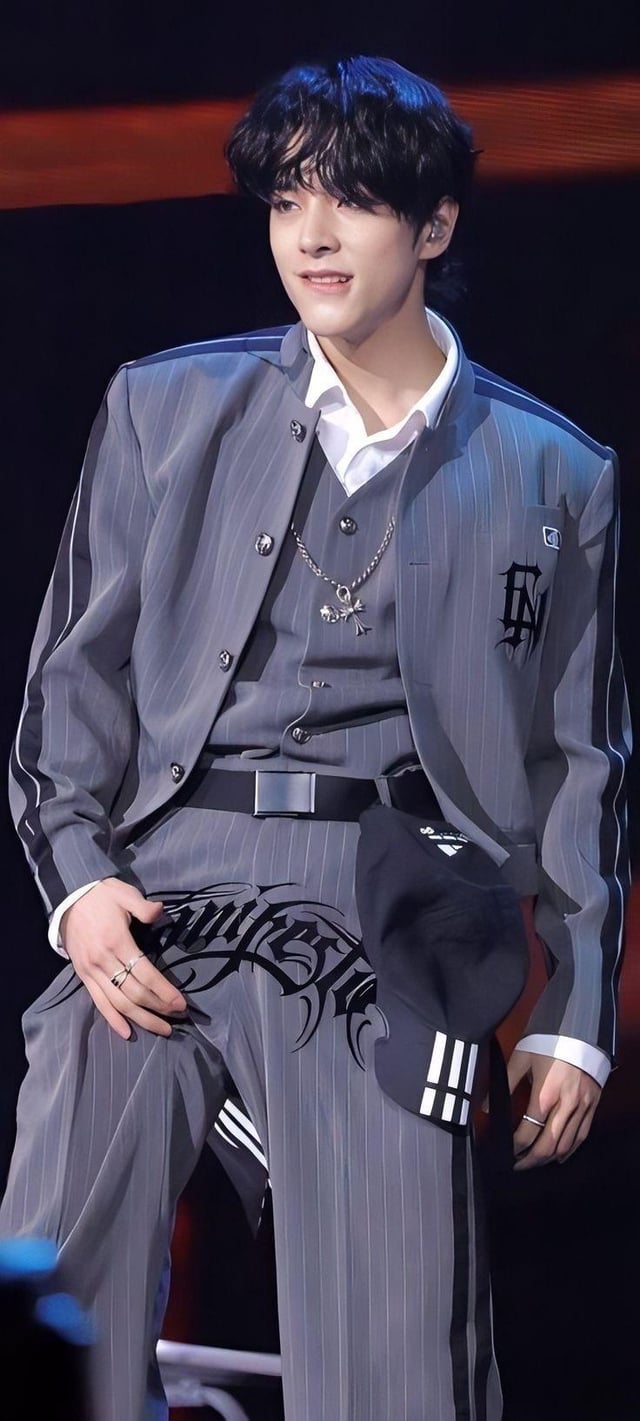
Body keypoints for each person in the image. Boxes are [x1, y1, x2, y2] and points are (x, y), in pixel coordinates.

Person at [1, 54, 630, 1421]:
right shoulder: (163, 409)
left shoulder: (556, 474)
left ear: (437, 223)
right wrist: (82, 888)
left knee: (396, 1357)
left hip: (392, 919)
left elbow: (581, 763)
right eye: (289, 199)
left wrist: (576, 1017)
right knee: (49, 1287)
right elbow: (69, 689)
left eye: (352, 199)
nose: (313, 234)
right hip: (161, 899)